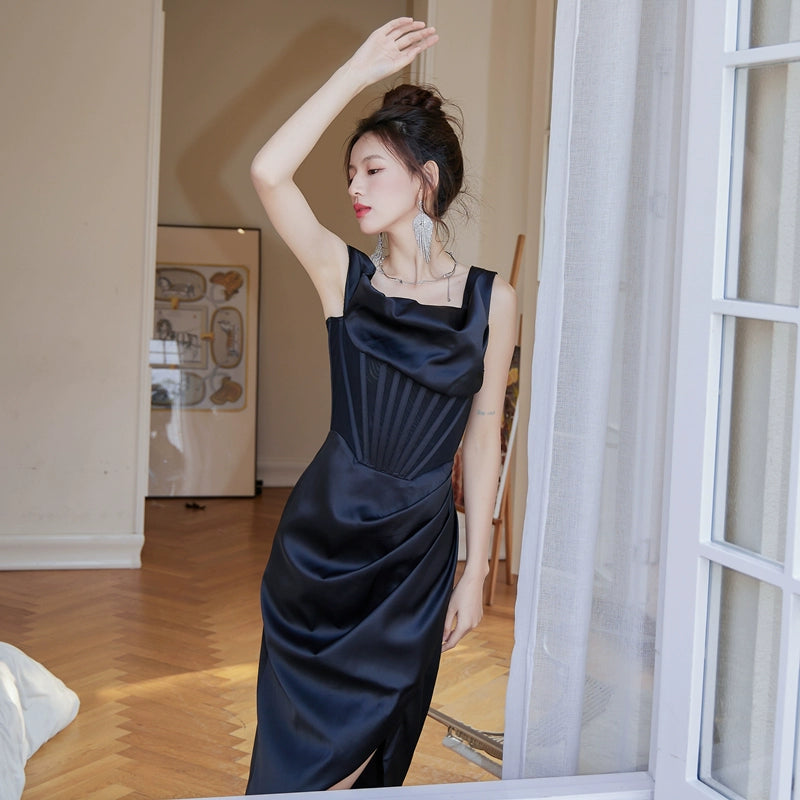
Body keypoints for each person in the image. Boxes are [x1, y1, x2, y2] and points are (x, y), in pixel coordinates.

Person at [246, 17, 517, 793]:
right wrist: (356, 73)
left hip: (414, 553)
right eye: (350, 174)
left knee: (373, 740)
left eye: (371, 170)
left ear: (424, 179)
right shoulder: (344, 278)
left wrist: (476, 567)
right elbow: (269, 172)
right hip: (321, 548)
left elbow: (485, 433)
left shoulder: (493, 300)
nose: (354, 189)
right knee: (300, 761)